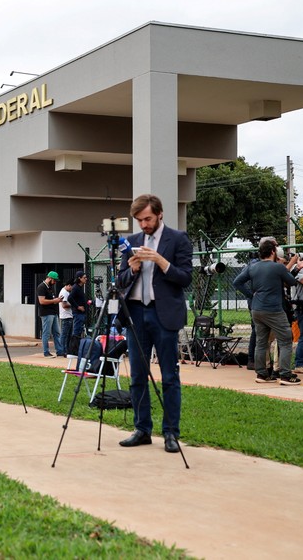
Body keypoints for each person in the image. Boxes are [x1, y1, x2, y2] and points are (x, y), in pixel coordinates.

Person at [116, 194, 193, 453]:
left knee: (169, 376)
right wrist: (133, 269)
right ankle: (142, 429)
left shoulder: (178, 239)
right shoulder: (133, 241)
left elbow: (185, 278)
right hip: (136, 313)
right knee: (138, 374)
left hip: (164, 314)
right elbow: (121, 280)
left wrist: (160, 261)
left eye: (147, 218)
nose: (144, 224)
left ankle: (171, 432)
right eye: (139, 220)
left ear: (160, 214)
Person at [234, 240, 300, 384]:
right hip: (274, 309)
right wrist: (296, 268)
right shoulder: (277, 267)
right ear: (272, 252)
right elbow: (292, 282)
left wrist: (251, 294)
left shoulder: (252, 267)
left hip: (256, 309)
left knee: (261, 342)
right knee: (285, 340)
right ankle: (285, 375)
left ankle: (262, 374)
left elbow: (237, 282)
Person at [37, 271, 63, 357]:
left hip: (53, 312)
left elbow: (51, 299)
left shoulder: (50, 287)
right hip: (46, 313)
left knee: (57, 332)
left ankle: (59, 350)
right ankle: (46, 351)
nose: (55, 282)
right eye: (54, 280)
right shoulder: (41, 287)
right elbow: (42, 301)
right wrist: (54, 301)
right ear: (50, 278)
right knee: (46, 333)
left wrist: (57, 300)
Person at [66, 271, 89, 337]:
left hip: (81, 313)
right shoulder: (75, 287)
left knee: (79, 331)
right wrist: (78, 307)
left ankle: (77, 345)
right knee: (76, 331)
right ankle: (74, 346)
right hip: (78, 313)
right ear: (80, 278)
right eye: (84, 278)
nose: (86, 279)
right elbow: (70, 298)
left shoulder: (79, 287)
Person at [57, 281, 74, 356]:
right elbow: (64, 305)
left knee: (67, 335)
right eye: (71, 287)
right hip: (66, 316)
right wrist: (74, 304)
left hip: (68, 315)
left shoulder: (66, 292)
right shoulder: (64, 292)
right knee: (65, 334)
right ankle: (62, 350)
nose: (72, 289)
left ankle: (66, 350)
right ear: (69, 285)